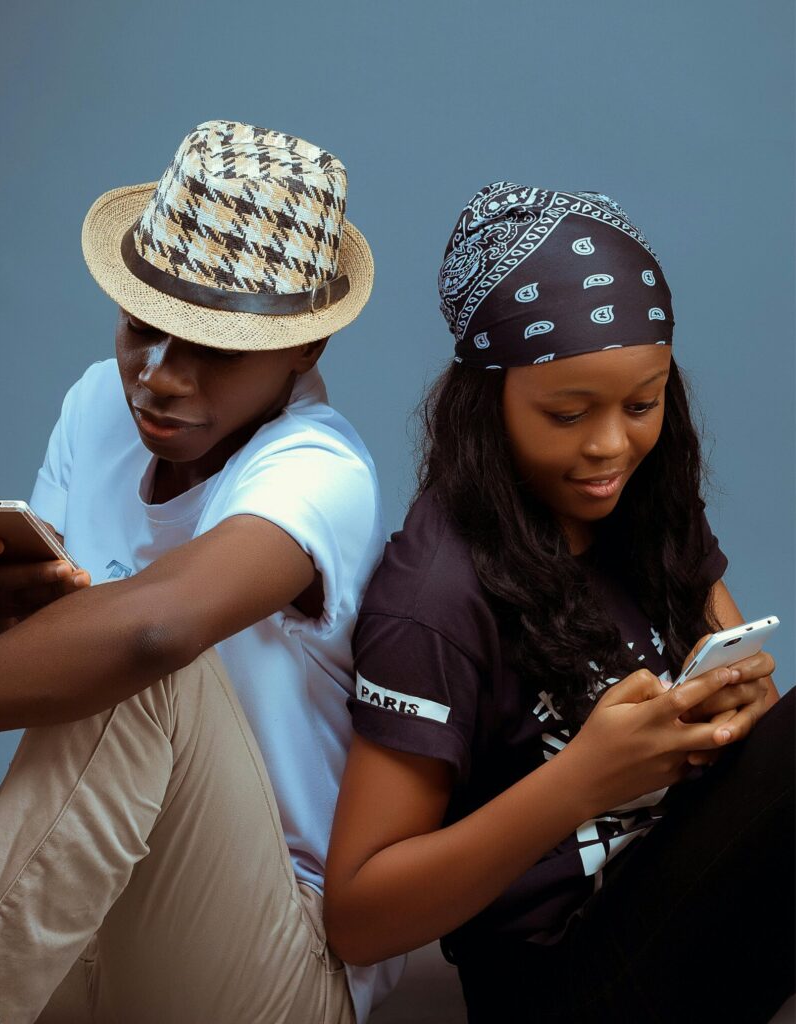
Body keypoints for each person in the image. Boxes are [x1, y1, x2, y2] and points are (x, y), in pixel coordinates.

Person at [0, 120, 403, 1023]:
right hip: (79, 917)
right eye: (142, 329)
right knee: (96, 638)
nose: (158, 377)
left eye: (211, 348)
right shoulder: (95, 406)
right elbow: (32, 663)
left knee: (144, 661)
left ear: (305, 349)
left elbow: (151, 634)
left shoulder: (320, 469)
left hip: (272, 957)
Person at [323, 183, 794, 1024]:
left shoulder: (647, 503)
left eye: (642, 404)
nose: (611, 446)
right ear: (489, 401)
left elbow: (746, 721)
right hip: (561, 980)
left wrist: (741, 709)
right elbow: (359, 919)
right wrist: (581, 781)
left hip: (696, 901)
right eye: (568, 413)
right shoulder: (432, 599)